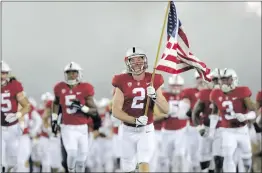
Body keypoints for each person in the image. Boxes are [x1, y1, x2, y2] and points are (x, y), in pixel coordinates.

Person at [111, 47, 169, 172]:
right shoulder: (121, 80)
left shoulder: (154, 79)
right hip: (127, 129)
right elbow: (115, 111)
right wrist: (135, 120)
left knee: (144, 160)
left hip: (146, 129)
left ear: (145, 60)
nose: (137, 63)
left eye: (140, 59)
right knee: (128, 165)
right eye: (133, 60)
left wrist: (155, 97)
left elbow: (166, 109)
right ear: (128, 62)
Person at [51, 61, 101, 172]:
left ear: (79, 73)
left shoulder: (85, 88)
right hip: (67, 127)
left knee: (81, 160)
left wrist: (82, 108)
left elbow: (94, 111)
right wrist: (54, 119)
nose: (71, 75)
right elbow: (55, 103)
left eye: (74, 72)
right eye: (69, 72)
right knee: (72, 153)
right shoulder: (60, 88)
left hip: (83, 127)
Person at [209, 68, 256, 172]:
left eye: (227, 79)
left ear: (234, 79)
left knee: (246, 157)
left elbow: (254, 112)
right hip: (227, 130)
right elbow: (215, 112)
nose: (224, 82)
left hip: (242, 130)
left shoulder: (242, 91)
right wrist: (212, 130)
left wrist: (245, 117)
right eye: (222, 80)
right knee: (228, 154)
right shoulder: (216, 93)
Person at [1, 61, 31, 172]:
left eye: (3, 73)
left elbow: (26, 106)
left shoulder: (15, 87)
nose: (1, 76)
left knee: (13, 163)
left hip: (13, 128)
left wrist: (18, 116)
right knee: (2, 162)